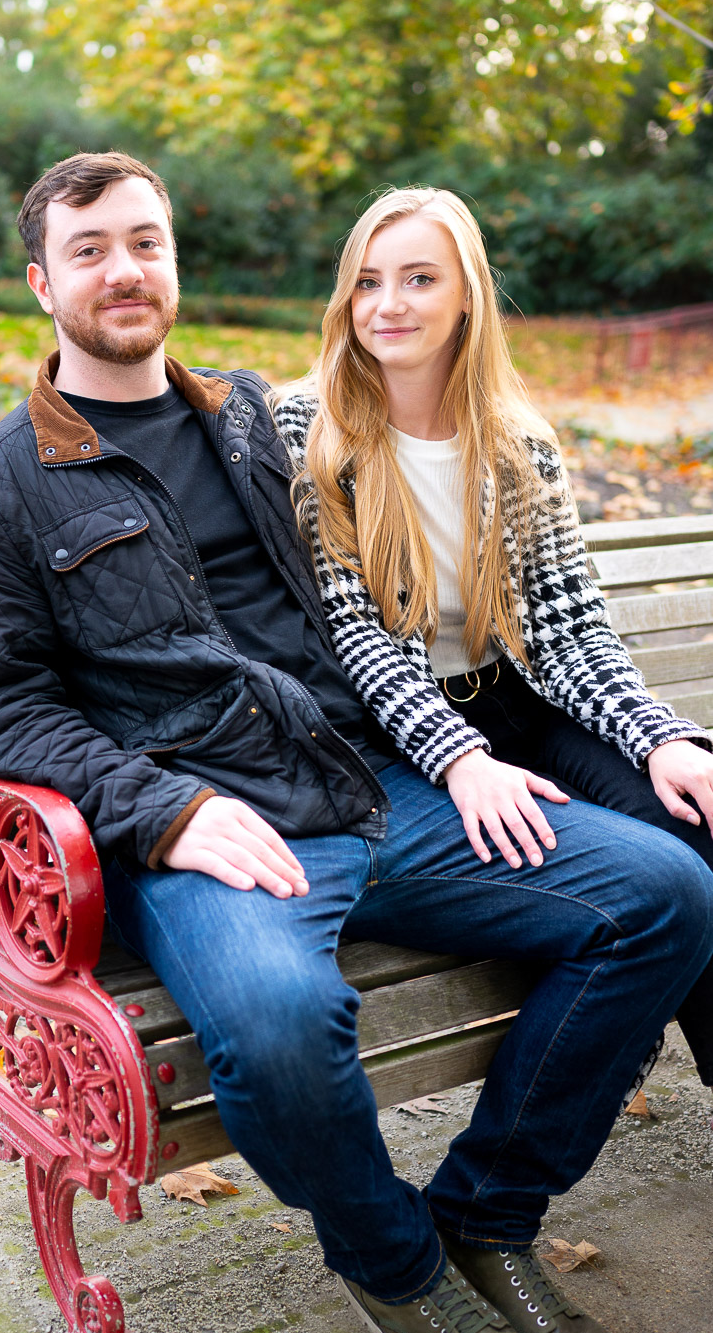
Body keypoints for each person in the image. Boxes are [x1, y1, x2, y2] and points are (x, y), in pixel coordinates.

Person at [0, 152, 713, 1333]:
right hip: (200, 834)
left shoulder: (253, 420)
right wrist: (162, 812)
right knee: (283, 1025)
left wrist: (515, 745)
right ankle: (398, 1270)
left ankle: (487, 1218)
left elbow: (398, 539)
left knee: (665, 893)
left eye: (144, 242)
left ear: (172, 259)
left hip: (368, 789)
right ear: (38, 282)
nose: (123, 270)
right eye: (88, 251)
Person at [272, 184, 713, 1103]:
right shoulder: (305, 431)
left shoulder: (518, 446)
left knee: (697, 815)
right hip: (394, 736)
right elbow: (350, 628)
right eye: (367, 282)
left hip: (515, 701)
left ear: (466, 293)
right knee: (664, 883)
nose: (387, 305)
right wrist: (458, 759)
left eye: (418, 279)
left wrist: (657, 735)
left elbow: (569, 625)